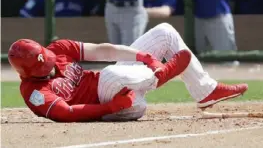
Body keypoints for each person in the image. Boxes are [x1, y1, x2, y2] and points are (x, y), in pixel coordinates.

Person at [8, 23, 248, 122]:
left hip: (119, 84)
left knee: (164, 31)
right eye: (45, 65)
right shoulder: (33, 92)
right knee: (112, 75)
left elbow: (102, 50)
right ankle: (157, 77)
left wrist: (143, 56)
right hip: (112, 106)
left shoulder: (56, 49)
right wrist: (112, 107)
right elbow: (68, 113)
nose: (51, 63)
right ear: (30, 71)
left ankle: (205, 90)